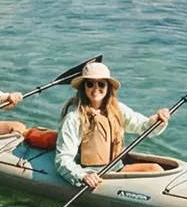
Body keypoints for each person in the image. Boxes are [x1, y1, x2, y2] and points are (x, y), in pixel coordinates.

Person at [55, 61, 170, 189]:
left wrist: (157, 120)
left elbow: (143, 126)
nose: (96, 88)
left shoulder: (117, 109)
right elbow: (63, 158)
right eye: (90, 84)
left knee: (155, 168)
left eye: (101, 84)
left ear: (108, 86)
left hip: (116, 168)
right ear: (83, 87)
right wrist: (82, 175)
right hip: (92, 174)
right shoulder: (73, 118)